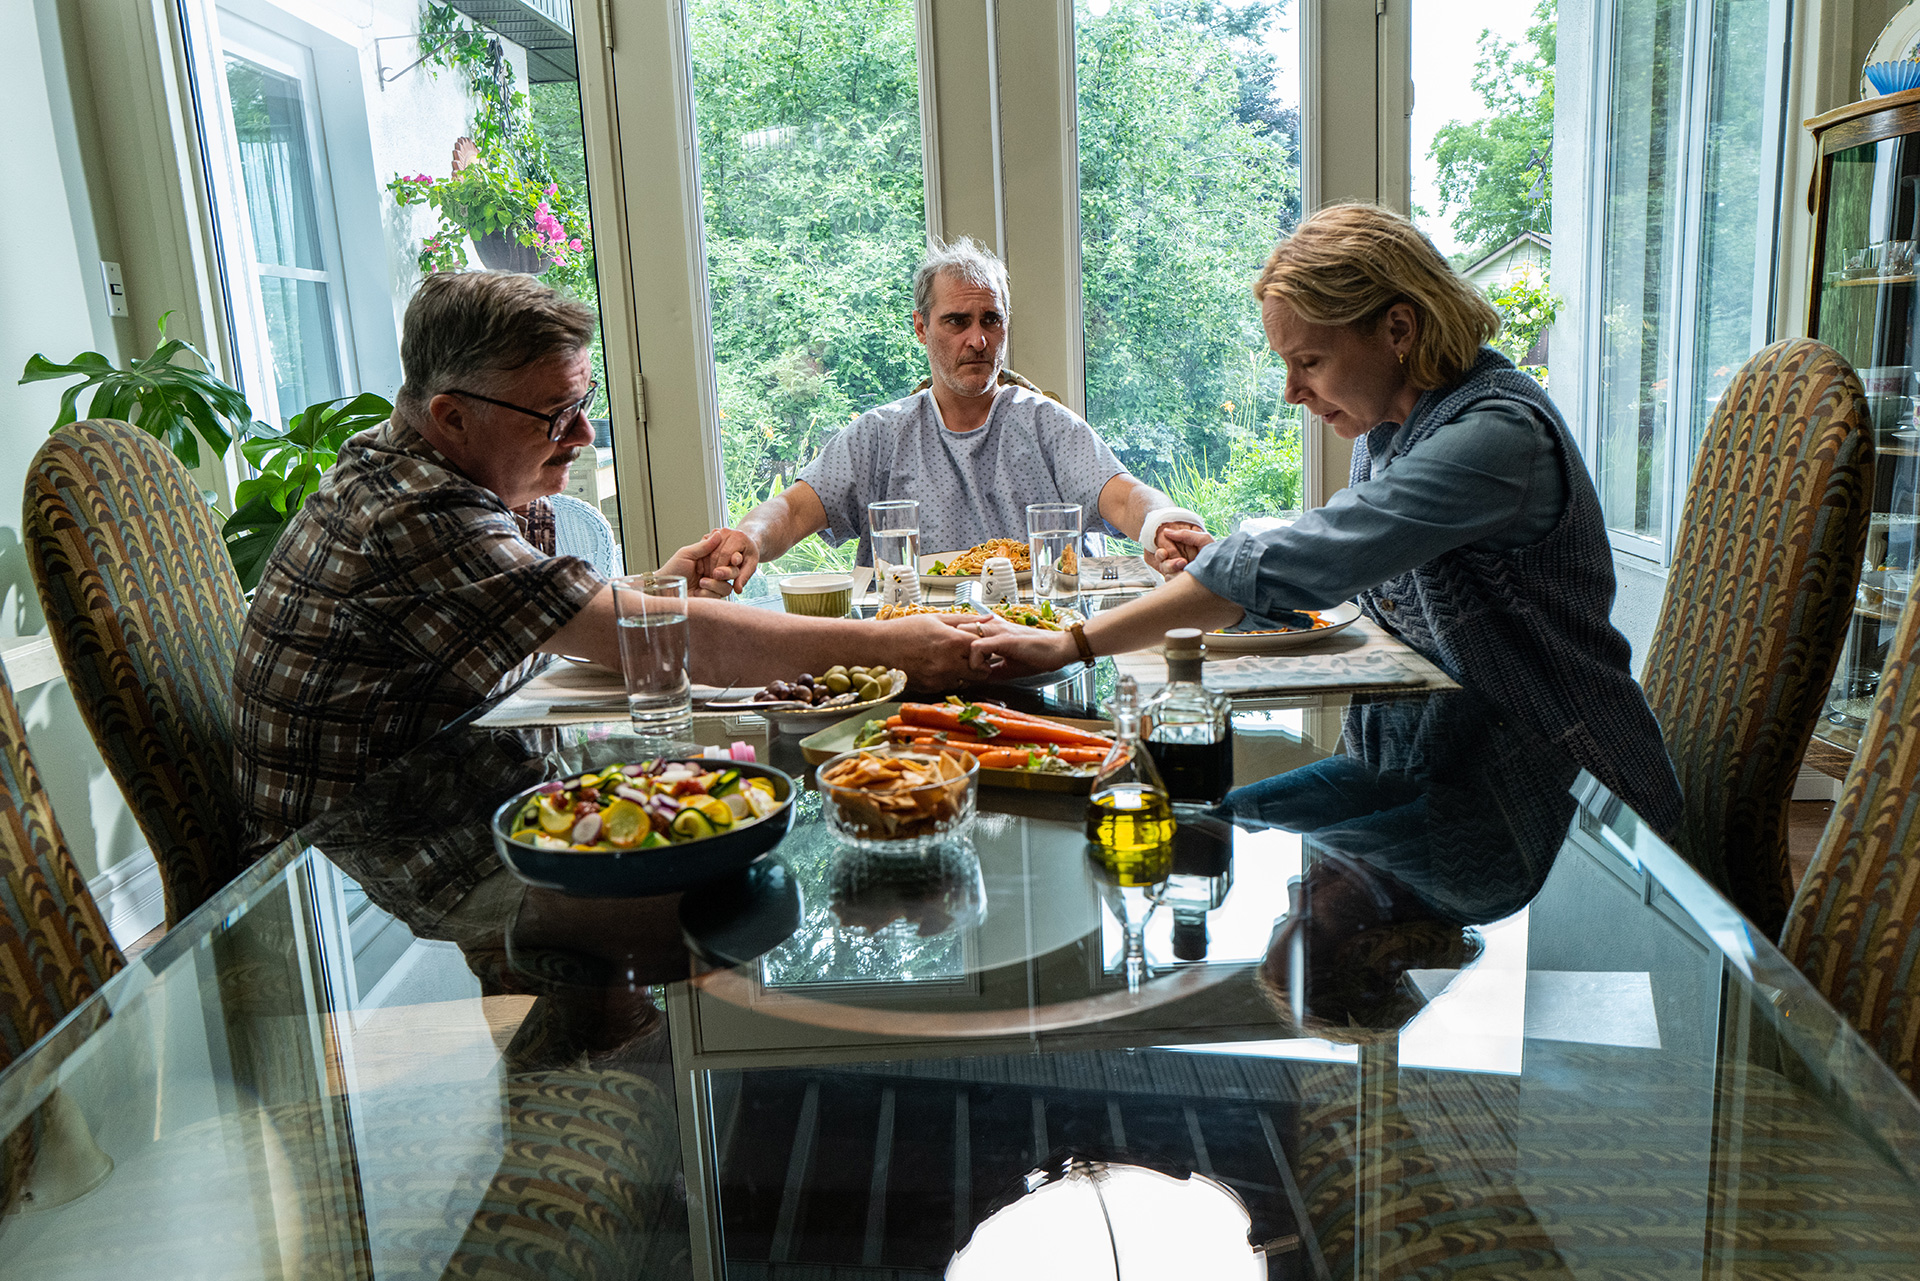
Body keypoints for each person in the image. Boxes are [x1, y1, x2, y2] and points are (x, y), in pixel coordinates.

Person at [970, 203, 1683, 837]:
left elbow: (1308, 558)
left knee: (1193, 824)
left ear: (1398, 328)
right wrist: (1228, 567)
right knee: (1208, 818)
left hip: (1577, 807)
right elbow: (1327, 559)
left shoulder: (1497, 437)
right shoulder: (1393, 432)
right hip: (1454, 773)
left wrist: (1071, 644)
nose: (1290, 391)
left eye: (1308, 359)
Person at [234, 271, 977, 855]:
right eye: (558, 412)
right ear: (453, 416)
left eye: (586, 402)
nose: (585, 433)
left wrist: (653, 590)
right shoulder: (414, 509)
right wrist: (888, 645)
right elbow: (691, 643)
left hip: (453, 791)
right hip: (363, 859)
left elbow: (551, 615)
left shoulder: (460, 463)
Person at [724, 237, 1208, 580]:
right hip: (917, 657)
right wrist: (747, 538)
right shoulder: (880, 435)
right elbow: (790, 509)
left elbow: (1126, 497)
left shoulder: (1047, 426)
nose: (977, 340)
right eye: (956, 321)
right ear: (920, 327)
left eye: (991, 320)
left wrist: (1164, 523)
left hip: (1042, 645)